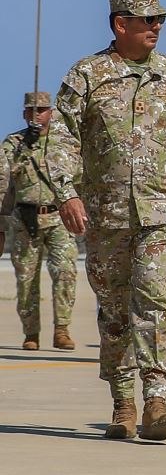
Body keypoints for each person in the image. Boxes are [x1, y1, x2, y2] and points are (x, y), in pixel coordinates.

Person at [49, 0, 166, 441]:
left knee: (157, 300)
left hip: (163, 210)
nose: (156, 27)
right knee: (115, 307)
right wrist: (67, 193)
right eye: (147, 20)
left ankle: (156, 398)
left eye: (160, 20)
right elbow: (61, 138)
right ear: (120, 24)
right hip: (105, 215)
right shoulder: (87, 74)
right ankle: (122, 399)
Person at [2, 92, 79, 351]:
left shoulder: (65, 142)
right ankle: (31, 332)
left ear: (51, 112)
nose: (37, 114)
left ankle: (62, 330)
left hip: (59, 217)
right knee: (26, 280)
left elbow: (80, 175)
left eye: (42, 109)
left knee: (65, 273)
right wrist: (26, 149)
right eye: (32, 110)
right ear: (25, 114)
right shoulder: (14, 142)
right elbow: (6, 178)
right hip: (26, 218)